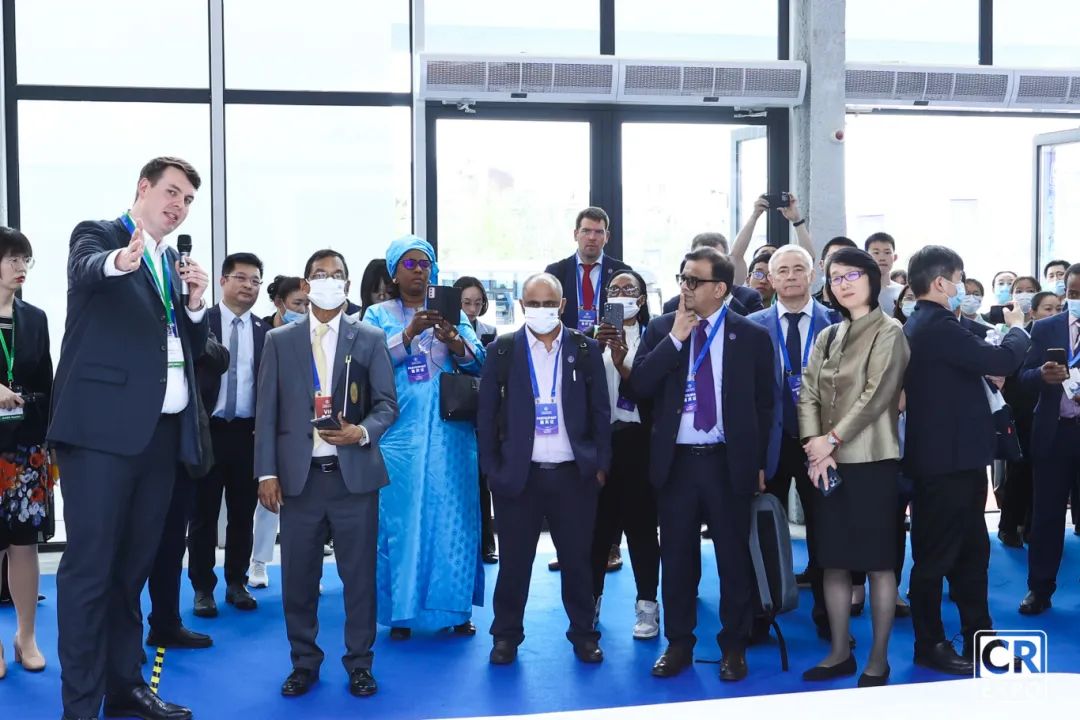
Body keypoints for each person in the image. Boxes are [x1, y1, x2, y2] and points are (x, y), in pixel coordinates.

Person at [50, 156, 210, 720]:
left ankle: (124, 685)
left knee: (131, 571)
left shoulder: (170, 265)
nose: (179, 206)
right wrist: (121, 259)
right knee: (90, 571)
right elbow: (87, 268)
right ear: (144, 187)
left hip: (160, 438)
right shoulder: (100, 235)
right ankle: (79, 705)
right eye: (172, 192)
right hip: (100, 438)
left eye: (188, 200)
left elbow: (186, 349)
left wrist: (194, 307)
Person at [255, 248, 398, 699]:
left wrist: (361, 432)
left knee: (359, 579)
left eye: (337, 275)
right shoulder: (279, 341)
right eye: (320, 274)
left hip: (353, 478)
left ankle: (360, 663)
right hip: (300, 480)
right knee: (298, 579)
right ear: (306, 284)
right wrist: (265, 474)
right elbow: (266, 412)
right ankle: (304, 662)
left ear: (348, 285)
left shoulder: (369, 337)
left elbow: (387, 405)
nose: (328, 281)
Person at [628, 247, 774, 682]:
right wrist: (676, 339)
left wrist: (759, 462)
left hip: (727, 461)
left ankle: (734, 645)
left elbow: (765, 405)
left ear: (720, 288)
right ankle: (679, 643)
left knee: (733, 557)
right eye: (683, 278)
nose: (685, 288)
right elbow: (639, 387)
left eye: (694, 281)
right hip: (677, 464)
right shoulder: (662, 328)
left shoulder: (750, 335)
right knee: (676, 558)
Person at [902, 245, 1029, 676]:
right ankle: (930, 643)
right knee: (935, 558)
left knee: (973, 555)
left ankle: (980, 636)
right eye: (959, 280)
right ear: (941, 283)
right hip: (943, 464)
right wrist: (1017, 328)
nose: (962, 288)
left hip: (960, 459)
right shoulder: (935, 325)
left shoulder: (934, 324)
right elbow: (1003, 359)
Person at [477, 273, 611, 665]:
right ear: (522, 307)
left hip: (574, 476)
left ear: (562, 305)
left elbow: (601, 413)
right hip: (519, 477)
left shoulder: (585, 349)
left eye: (548, 303)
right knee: (514, 564)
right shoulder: (502, 350)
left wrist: (600, 465)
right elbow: (486, 417)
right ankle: (505, 636)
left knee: (577, 562)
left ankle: (584, 635)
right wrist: (492, 470)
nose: (541, 310)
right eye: (533, 304)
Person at [798, 247, 910, 687]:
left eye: (851, 275)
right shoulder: (828, 334)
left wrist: (831, 440)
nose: (842, 284)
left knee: (879, 563)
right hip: (827, 464)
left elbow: (876, 395)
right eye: (835, 277)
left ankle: (878, 659)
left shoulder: (890, 330)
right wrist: (815, 446)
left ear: (871, 278)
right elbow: (808, 392)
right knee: (833, 561)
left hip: (872, 461)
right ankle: (840, 652)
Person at [364, 237, 486, 639]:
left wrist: (454, 340)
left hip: (451, 436)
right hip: (400, 435)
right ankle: (401, 614)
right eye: (410, 263)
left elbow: (480, 363)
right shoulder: (377, 314)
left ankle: (455, 611)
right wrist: (409, 333)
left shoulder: (453, 313)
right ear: (394, 272)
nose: (419, 270)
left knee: (453, 521)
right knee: (401, 523)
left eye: (425, 263)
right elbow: (368, 363)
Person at [748, 245, 837, 640]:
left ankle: (829, 616)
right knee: (764, 528)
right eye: (781, 270)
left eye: (798, 269)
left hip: (824, 444)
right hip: (771, 443)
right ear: (770, 278)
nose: (790, 276)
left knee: (827, 530)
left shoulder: (837, 323)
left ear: (812, 275)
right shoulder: (751, 326)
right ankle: (761, 614)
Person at [186, 252, 269, 618]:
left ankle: (237, 582)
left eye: (255, 281)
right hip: (208, 431)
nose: (249, 286)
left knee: (242, 513)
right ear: (223, 281)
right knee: (203, 514)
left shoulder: (266, 332)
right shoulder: (200, 321)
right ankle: (202, 587)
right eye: (241, 278)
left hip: (248, 434)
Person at [146, 332, 228, 650]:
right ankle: (121, 636)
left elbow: (220, 358)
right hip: (134, 442)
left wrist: (187, 326)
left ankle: (165, 622)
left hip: (180, 444)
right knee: (130, 546)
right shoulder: (128, 313)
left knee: (172, 541)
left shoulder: (185, 321)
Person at [591, 270, 660, 639]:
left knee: (642, 528)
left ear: (641, 299)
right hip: (602, 442)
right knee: (598, 530)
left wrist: (623, 362)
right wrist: (595, 349)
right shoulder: (591, 340)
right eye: (614, 289)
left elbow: (654, 390)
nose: (621, 294)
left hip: (641, 442)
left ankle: (647, 606)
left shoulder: (654, 337)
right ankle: (590, 602)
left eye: (628, 289)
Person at [0, 228, 53, 677]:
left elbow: (47, 383)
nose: (21, 268)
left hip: (26, 450)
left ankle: (26, 636)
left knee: (24, 545)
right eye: (13, 259)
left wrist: (51, 442)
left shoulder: (34, 318)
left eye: (25, 260)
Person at [1017, 263, 1080, 615]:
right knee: (1047, 516)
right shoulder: (1045, 328)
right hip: (1055, 433)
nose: (1077, 300)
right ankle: (1039, 589)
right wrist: (1041, 375)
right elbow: (1022, 377)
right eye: (1073, 294)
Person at [995, 293, 1058, 550]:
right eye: (1047, 308)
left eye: (1058, 308)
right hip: (1022, 412)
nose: (1053, 313)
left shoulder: (1065, 336)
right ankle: (1009, 527)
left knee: (1045, 474)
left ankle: (1033, 527)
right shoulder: (1024, 338)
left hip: (1053, 414)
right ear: (1032, 312)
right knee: (1020, 472)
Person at [454, 276, 498, 565]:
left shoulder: (489, 332)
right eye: (466, 303)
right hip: (453, 409)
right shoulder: (445, 329)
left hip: (481, 411)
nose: (472, 309)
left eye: (477, 303)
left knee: (483, 481)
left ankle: (486, 543)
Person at [544, 207, 632, 335]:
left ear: (607, 237)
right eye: (586, 231)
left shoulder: (621, 272)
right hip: (567, 343)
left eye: (598, 232)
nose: (592, 237)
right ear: (576, 234)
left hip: (608, 343)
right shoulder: (555, 273)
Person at [662, 232, 764, 316]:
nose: (708, 264)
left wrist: (726, 295)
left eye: (716, 259)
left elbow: (753, 328)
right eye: (700, 258)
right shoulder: (672, 307)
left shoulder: (748, 298)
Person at [729, 192, 814, 282]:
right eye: (763, 253)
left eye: (774, 253)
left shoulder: (789, 285)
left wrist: (797, 220)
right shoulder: (743, 287)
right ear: (748, 278)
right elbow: (735, 256)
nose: (769, 255)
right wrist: (754, 216)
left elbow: (807, 258)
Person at [813, 237, 858, 321]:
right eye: (833, 257)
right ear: (821, 265)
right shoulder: (810, 305)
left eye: (846, 258)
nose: (839, 263)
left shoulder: (863, 307)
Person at [865, 232, 904, 316]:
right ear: (866, 257)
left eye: (887, 252)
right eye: (876, 253)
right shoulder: (859, 290)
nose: (882, 258)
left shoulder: (902, 292)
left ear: (895, 257)